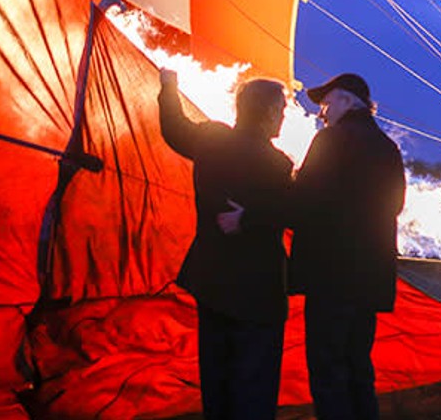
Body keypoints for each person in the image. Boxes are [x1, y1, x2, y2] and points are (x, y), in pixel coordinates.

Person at [158, 68, 293, 420]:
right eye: (280, 109)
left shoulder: (212, 139)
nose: (283, 116)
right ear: (265, 113)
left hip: (212, 281)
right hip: (258, 291)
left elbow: (174, 129)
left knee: (216, 377)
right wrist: (250, 218)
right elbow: (293, 211)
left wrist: (169, 86)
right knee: (255, 385)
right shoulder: (277, 165)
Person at [289, 73, 406, 420]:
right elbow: (395, 206)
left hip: (330, 278)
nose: (322, 113)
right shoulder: (388, 148)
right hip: (368, 281)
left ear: (345, 100)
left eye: (326, 104)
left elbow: (302, 201)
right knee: (358, 368)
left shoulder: (330, 141)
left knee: (328, 372)